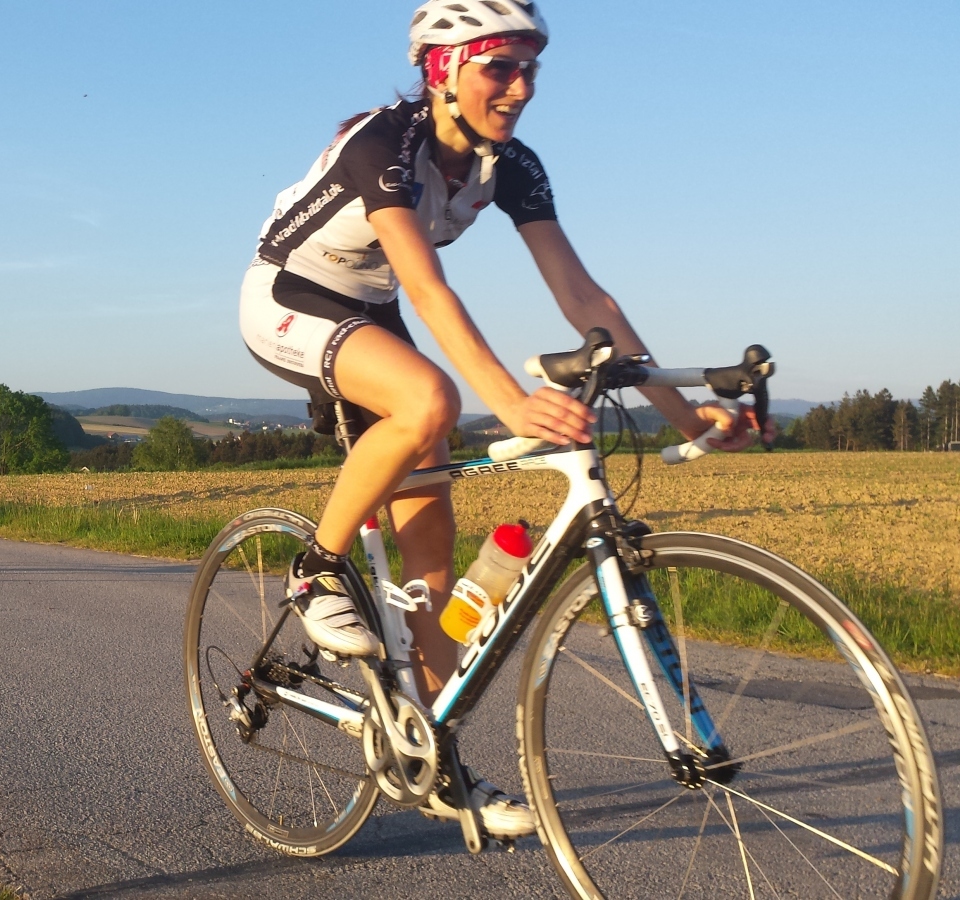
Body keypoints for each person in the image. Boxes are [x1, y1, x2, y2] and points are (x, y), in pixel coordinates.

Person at [238, 0, 770, 838]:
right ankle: (315, 572)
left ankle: (432, 759)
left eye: (530, 69)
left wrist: (684, 415)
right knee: (431, 398)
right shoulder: (387, 144)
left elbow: (585, 297)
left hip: (370, 312)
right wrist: (510, 400)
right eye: (500, 68)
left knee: (432, 562)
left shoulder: (511, 164)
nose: (521, 88)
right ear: (442, 71)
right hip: (289, 296)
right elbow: (428, 288)